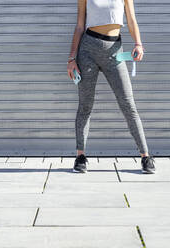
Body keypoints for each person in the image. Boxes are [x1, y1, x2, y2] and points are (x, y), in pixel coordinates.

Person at [67, 0, 155, 174]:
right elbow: (79, 26)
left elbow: (131, 20)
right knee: (85, 105)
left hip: (115, 51)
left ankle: (146, 156)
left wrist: (138, 43)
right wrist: (71, 59)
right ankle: (80, 157)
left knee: (128, 104)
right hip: (88, 50)